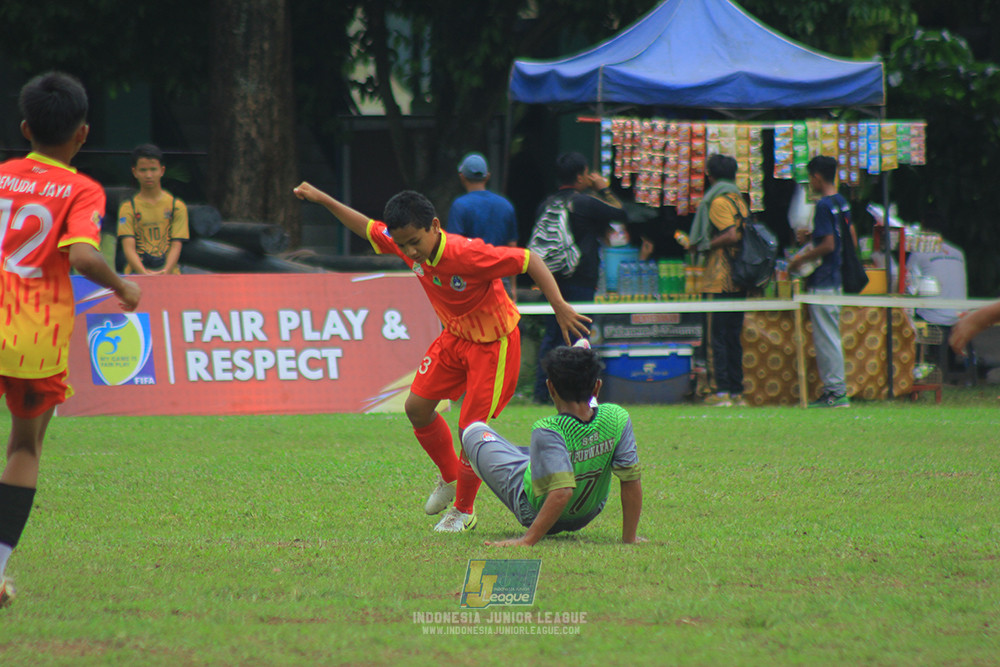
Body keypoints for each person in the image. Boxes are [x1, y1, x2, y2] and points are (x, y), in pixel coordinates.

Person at [292, 183, 590, 533]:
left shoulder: (466, 254)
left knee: (471, 430)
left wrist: (559, 307)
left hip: (493, 345)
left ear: (435, 226)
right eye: (401, 245)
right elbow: (365, 226)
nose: (408, 251)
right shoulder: (406, 242)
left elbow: (529, 259)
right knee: (416, 408)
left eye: (414, 243)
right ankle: (450, 477)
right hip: (455, 337)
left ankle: (464, 511)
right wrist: (322, 198)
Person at [0, 72, 142, 607]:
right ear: (82, 134)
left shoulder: (2, 176)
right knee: (23, 446)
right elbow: (82, 255)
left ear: (24, 127)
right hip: (33, 339)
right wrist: (122, 285)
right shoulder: (81, 188)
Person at [462, 345, 642, 546]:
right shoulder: (618, 417)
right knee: (537, 454)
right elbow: (630, 478)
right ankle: (585, 402)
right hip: (588, 512)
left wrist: (526, 540)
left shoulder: (548, 429)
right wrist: (630, 539)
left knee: (474, 431)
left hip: (534, 510)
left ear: (550, 387)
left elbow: (562, 492)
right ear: (597, 387)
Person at [532, 151, 627, 404]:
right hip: (580, 280)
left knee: (552, 336)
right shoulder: (584, 202)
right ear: (581, 176)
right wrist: (604, 189)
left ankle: (542, 394)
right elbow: (620, 212)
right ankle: (576, 395)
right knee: (579, 338)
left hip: (551, 280)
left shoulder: (547, 204)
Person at [788, 155, 855, 408]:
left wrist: (799, 260)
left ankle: (836, 393)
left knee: (826, 338)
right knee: (831, 335)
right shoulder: (841, 202)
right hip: (836, 277)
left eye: (810, 178)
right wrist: (812, 235)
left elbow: (829, 244)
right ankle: (834, 391)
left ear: (816, 177)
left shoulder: (824, 205)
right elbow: (848, 236)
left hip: (824, 281)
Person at [688, 154, 749, 407]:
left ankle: (720, 391)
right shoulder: (740, 200)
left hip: (719, 280)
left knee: (716, 338)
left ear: (710, 176)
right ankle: (737, 391)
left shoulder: (717, 202)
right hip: (740, 279)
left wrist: (706, 244)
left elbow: (732, 235)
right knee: (733, 337)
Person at [446, 152, 518, 298]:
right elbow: (513, 247)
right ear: (487, 176)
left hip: (471, 283)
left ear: (462, 176)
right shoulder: (505, 205)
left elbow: (453, 249)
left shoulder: (459, 206)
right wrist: (513, 286)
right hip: (501, 281)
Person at [117, 143, 189, 275]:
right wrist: (143, 273)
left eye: (153, 169)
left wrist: (165, 271)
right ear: (135, 172)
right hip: (136, 275)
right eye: (143, 170)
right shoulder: (128, 208)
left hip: (169, 275)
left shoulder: (176, 206)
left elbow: (176, 244)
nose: (148, 175)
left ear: (162, 171)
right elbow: (128, 247)